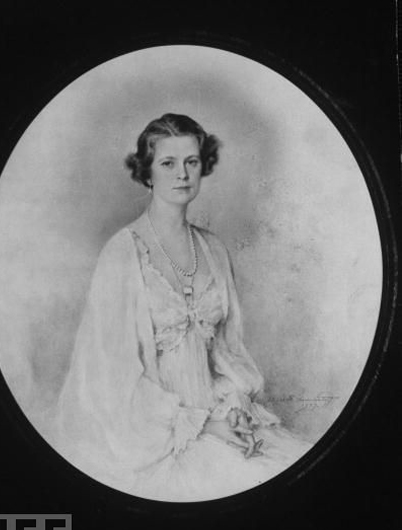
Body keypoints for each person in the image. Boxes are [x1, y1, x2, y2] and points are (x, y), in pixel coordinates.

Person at [53, 113, 311, 501]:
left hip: (217, 416)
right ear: (147, 172)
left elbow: (226, 353)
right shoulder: (122, 254)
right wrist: (201, 426)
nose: (182, 174)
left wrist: (233, 408)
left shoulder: (214, 250)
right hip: (151, 435)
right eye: (168, 163)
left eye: (191, 161)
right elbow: (109, 377)